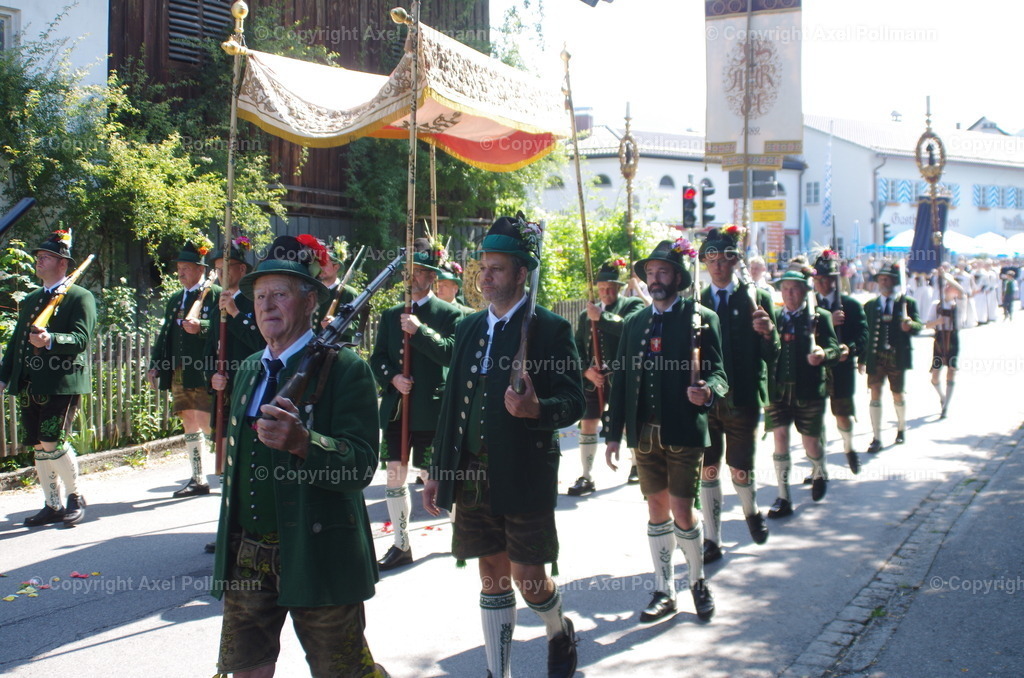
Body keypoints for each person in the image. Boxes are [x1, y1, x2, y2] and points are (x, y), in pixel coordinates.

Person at [209, 235, 387, 678]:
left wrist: (305, 444)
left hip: (319, 552)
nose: (267, 305)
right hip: (249, 554)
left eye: (280, 294)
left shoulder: (347, 368)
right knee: (245, 670)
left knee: (343, 673)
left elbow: (362, 464)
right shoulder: (249, 368)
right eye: (260, 295)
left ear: (310, 301)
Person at [423, 214, 583, 678]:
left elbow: (575, 399)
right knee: (490, 574)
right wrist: (437, 471)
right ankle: (500, 672)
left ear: (520, 273)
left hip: (524, 473)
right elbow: (452, 405)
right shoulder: (470, 328)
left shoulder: (551, 330)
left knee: (529, 579)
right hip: (470, 474)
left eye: (496, 268)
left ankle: (557, 629)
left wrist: (537, 409)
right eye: (482, 267)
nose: (485, 276)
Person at [604, 237, 728, 623]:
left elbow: (721, 374)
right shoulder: (635, 322)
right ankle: (663, 589)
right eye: (651, 272)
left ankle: (697, 581)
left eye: (663, 272)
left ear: (677, 276)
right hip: (644, 434)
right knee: (656, 510)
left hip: (685, 431)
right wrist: (612, 433)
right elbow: (621, 381)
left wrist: (708, 390)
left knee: (683, 512)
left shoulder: (702, 318)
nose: (656, 279)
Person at [370, 238, 461, 571]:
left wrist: (420, 331)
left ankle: (461, 531)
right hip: (397, 408)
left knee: (432, 473)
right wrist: (392, 377)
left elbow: (451, 353)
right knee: (395, 475)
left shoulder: (449, 313)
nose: (415, 277)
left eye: (423, 271)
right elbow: (376, 357)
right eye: (411, 271)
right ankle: (401, 543)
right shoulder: (392, 314)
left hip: (430, 409)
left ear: (433, 276)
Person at [0, 231, 96, 526]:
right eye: (39, 257)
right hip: (31, 383)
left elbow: (82, 338)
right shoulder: (31, 299)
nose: (38, 261)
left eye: (46, 257)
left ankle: (75, 497)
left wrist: (51, 339)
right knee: (39, 446)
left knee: (51, 440)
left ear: (63, 264)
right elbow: (17, 343)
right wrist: (4, 378)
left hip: (62, 382)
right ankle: (52, 504)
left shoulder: (80, 297)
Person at [697, 226, 776, 564]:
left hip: (742, 396)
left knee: (740, 468)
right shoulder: (695, 303)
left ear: (735, 261)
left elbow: (774, 355)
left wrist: (769, 333)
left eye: (725, 257)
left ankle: (750, 510)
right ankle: (712, 539)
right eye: (711, 258)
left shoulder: (756, 298)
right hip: (706, 401)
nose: (718, 265)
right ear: (704, 262)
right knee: (708, 468)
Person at [765, 257, 841, 519]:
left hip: (808, 390)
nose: (789, 294)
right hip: (778, 391)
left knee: (810, 442)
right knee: (780, 439)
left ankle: (819, 470)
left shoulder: (820, 318)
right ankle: (783, 496)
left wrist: (822, 353)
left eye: (795, 289)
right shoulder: (773, 318)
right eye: (785, 289)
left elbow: (836, 349)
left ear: (805, 291)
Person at [202, 238, 265, 554]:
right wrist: (210, 376)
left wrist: (236, 311)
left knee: (244, 463)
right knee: (226, 466)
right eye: (216, 268)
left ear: (241, 269)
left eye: (225, 267)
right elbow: (211, 346)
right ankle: (228, 528)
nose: (220, 274)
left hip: (249, 391)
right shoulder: (218, 302)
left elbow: (260, 340)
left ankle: (246, 527)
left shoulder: (254, 301)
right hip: (224, 394)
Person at [147, 240, 221, 497]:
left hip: (203, 369)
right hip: (178, 370)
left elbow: (226, 330)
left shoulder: (216, 294)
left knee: (206, 421)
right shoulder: (176, 299)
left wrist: (202, 327)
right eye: (179, 267)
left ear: (200, 269)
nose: (180, 273)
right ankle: (198, 478)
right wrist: (156, 364)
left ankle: (228, 469)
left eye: (186, 267)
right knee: (188, 420)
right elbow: (165, 334)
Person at [569, 256, 645, 496]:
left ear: (618, 288)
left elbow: (630, 328)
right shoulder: (585, 316)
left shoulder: (631, 306)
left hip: (622, 377)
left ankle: (636, 465)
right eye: (601, 289)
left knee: (625, 422)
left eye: (610, 289)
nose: (605, 293)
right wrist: (586, 371)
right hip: (593, 380)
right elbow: (577, 347)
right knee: (588, 423)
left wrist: (601, 318)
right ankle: (587, 475)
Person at [811, 249, 869, 475]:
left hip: (841, 368)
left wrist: (850, 348)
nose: (823, 284)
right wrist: (828, 321)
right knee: (814, 419)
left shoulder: (850, 305)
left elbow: (863, 334)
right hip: (816, 368)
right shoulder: (810, 305)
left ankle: (849, 446)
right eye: (819, 279)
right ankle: (818, 467)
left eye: (827, 279)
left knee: (842, 414)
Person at [863, 260, 923, 453]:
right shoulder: (871, 306)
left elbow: (918, 326)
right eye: (881, 279)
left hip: (897, 356)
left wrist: (910, 325)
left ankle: (901, 427)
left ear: (894, 281)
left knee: (897, 393)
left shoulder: (906, 303)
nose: (884, 282)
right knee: (875, 393)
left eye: (887, 279)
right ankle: (876, 436)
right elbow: (866, 334)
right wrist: (862, 359)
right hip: (876, 356)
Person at [924, 275, 965, 419]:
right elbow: (927, 324)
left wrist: (946, 276)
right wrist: (937, 321)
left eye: (951, 286)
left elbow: (961, 290)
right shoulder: (936, 304)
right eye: (946, 286)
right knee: (935, 375)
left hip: (953, 339)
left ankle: (946, 406)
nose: (948, 287)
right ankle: (942, 396)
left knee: (951, 371)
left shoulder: (959, 304)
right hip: (940, 340)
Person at [314, 237, 359, 331]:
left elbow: (356, 327)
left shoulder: (348, 293)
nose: (320, 267)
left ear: (336, 267)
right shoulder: (313, 291)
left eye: (324, 264)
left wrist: (336, 324)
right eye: (318, 264)